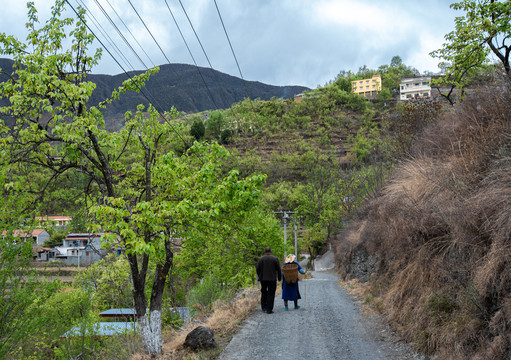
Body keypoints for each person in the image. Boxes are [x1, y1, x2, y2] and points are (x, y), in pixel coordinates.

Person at [256, 247, 282, 314]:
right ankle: (269, 309)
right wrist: (279, 278)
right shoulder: (275, 258)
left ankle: (263, 307)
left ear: (265, 252)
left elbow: (257, 268)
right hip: (272, 279)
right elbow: (279, 269)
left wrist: (260, 276)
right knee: (271, 293)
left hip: (263, 279)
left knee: (264, 292)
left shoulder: (260, 259)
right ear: (271, 251)